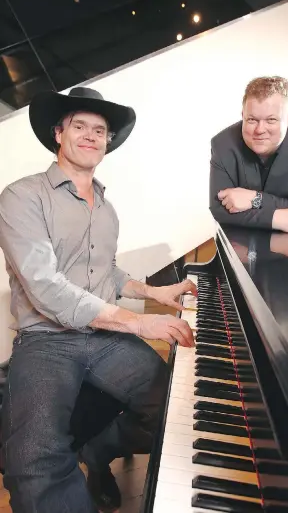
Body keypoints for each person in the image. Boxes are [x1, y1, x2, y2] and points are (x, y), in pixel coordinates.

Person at [0, 86, 196, 513]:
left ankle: (99, 450)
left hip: (104, 337)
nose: (90, 135)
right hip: (45, 341)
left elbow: (104, 272)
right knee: (32, 460)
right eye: (80, 126)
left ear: (108, 142)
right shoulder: (21, 196)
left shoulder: (107, 209)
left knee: (183, 407)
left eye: (100, 130)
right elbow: (46, 285)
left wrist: (153, 292)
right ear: (59, 133)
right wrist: (140, 322)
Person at [209, 76, 288, 234]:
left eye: (271, 120)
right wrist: (276, 218)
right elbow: (218, 209)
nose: (259, 130)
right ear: (242, 114)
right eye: (251, 119)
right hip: (241, 242)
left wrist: (255, 198)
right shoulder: (222, 144)